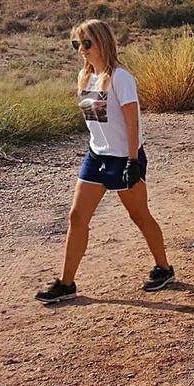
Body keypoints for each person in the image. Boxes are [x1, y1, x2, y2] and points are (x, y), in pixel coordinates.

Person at [35, 19, 174, 303]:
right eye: (77, 44)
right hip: (96, 155)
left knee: (139, 215)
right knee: (76, 217)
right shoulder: (85, 77)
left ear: (103, 42)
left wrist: (133, 161)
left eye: (87, 43)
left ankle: (164, 268)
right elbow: (96, 123)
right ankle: (66, 283)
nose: (82, 50)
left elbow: (132, 121)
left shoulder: (121, 78)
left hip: (124, 157)